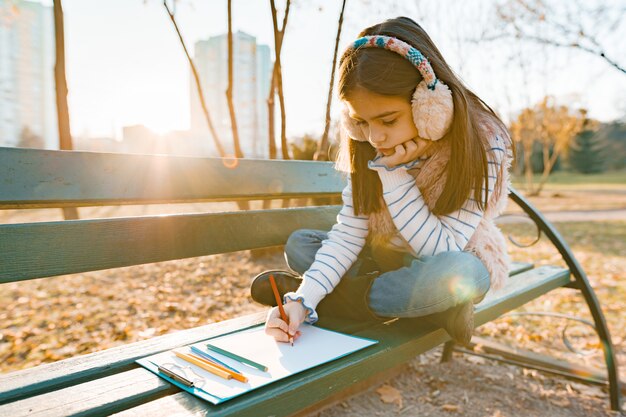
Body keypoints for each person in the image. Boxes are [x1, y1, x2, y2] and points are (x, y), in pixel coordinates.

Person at [250, 16, 513, 346]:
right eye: (362, 122)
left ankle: (343, 301)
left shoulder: (483, 144)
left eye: (388, 120)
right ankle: (424, 309)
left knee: (458, 274)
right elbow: (347, 236)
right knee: (301, 244)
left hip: (441, 264)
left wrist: (393, 174)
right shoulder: (366, 143)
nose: (374, 137)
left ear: (429, 104)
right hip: (379, 262)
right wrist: (301, 301)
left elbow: (439, 249)